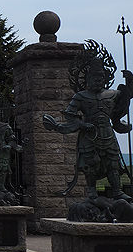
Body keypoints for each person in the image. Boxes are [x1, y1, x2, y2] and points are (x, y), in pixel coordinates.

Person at [44, 53, 133, 220]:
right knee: (90, 165)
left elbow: (124, 101)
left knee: (113, 163)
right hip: (89, 135)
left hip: (107, 133)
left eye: (101, 77)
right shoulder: (81, 96)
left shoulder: (112, 94)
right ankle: (91, 191)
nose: (98, 81)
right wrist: (83, 124)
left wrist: (130, 83)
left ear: (105, 78)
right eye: (94, 77)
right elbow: (70, 114)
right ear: (87, 78)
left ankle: (117, 191)